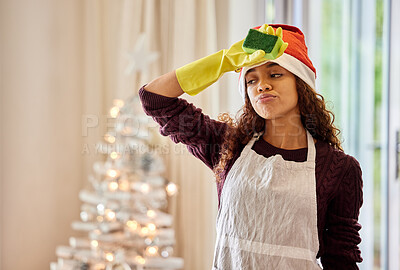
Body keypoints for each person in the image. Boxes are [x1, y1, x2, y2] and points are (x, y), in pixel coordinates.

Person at [139, 24, 363, 269]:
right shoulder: (227, 146)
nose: (262, 85)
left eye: (275, 74)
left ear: (302, 83)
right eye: (251, 79)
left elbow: (341, 258)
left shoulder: (340, 168)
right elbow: (154, 98)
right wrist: (224, 61)